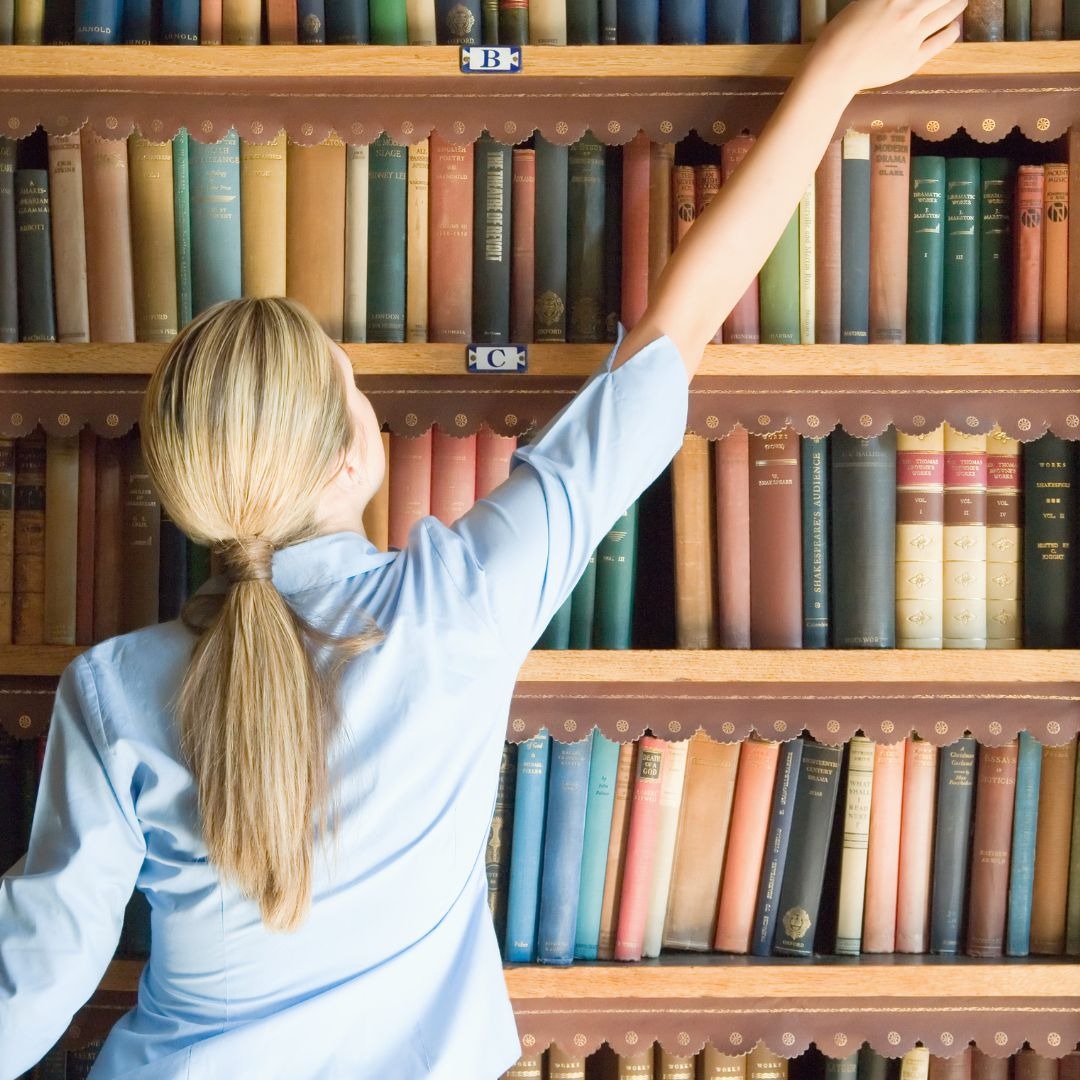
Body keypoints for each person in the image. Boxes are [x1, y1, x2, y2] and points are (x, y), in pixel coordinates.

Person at [0, 1, 964, 1075]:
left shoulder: (110, 691)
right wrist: (833, 78)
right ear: (347, 459)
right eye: (353, 386)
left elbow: (30, 983)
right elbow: (673, 336)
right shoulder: (456, 606)